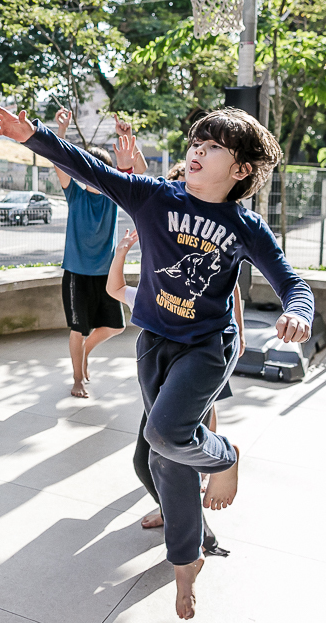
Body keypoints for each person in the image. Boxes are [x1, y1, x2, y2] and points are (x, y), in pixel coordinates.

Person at [0, 103, 313, 620]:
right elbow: (89, 168)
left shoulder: (245, 227)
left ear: (241, 170)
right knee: (164, 458)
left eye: (212, 148)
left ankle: (225, 456)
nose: (197, 152)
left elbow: (292, 282)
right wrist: (33, 136)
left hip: (206, 347)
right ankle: (187, 564)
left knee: (164, 437)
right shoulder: (154, 197)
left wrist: (297, 310)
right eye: (196, 144)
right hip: (154, 342)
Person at [105, 227, 236, 557]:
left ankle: (200, 535)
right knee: (144, 461)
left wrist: (209, 460)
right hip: (159, 397)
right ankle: (174, 513)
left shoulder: (204, 305)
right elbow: (116, 288)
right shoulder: (156, 296)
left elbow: (232, 294)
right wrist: (122, 250)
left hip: (193, 377)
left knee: (172, 462)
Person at [52, 108, 147, 397]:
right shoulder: (75, 192)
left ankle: (85, 352)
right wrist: (62, 131)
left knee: (116, 326)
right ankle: (77, 378)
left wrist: (128, 137)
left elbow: (139, 172)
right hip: (76, 274)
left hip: (105, 273)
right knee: (78, 329)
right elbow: (58, 157)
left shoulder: (112, 195)